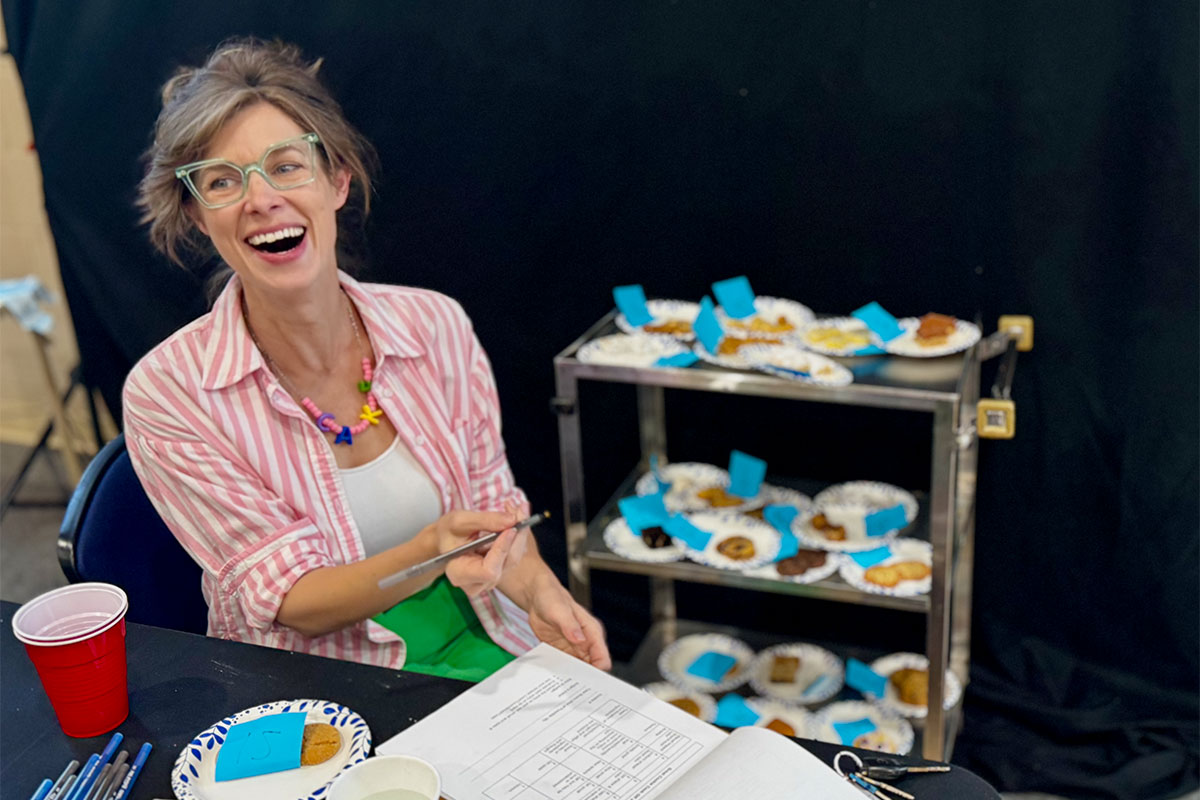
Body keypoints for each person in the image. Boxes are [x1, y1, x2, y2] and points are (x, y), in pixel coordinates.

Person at [125, 38, 609, 679]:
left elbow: (495, 508)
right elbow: (292, 602)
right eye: (222, 181)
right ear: (197, 215)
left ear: (337, 181)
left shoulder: (435, 324)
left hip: (484, 633)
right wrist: (433, 549)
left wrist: (548, 600)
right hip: (324, 682)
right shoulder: (168, 392)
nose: (261, 197)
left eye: (287, 166)